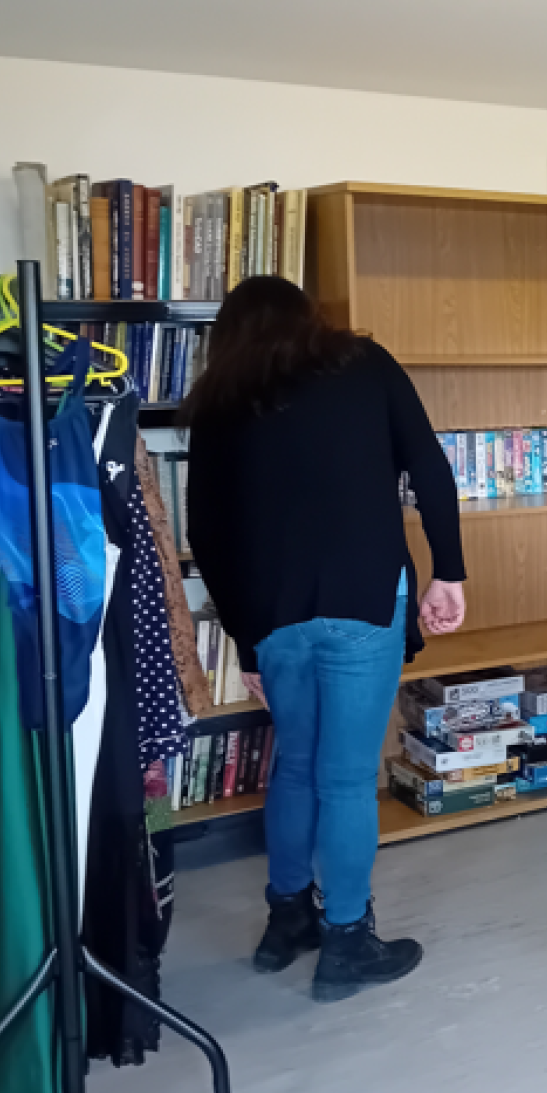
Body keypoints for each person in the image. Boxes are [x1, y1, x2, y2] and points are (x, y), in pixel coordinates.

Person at [181, 276, 466, 1002]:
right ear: (310, 317)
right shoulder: (364, 365)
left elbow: (207, 535)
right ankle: (347, 941)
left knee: (297, 769)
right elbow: (428, 464)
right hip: (364, 598)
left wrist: (245, 641)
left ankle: (287, 922)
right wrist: (449, 573)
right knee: (345, 779)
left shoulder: (222, 399)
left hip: (274, 617)